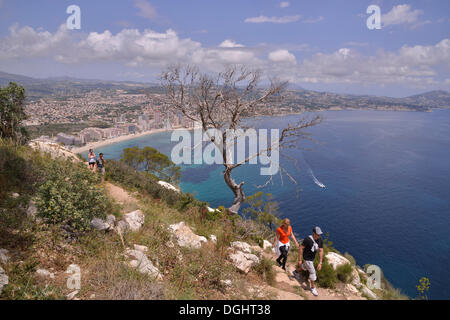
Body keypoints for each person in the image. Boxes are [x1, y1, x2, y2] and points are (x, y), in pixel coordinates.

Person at [296, 226, 324, 297]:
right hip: (307, 258)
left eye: (320, 234)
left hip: (312, 259)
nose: (319, 236)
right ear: (314, 233)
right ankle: (313, 288)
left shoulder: (320, 239)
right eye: (318, 234)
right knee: (312, 272)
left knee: (304, 267)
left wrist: (320, 262)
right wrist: (299, 259)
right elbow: (301, 248)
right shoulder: (307, 239)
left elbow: (321, 250)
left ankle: (296, 272)